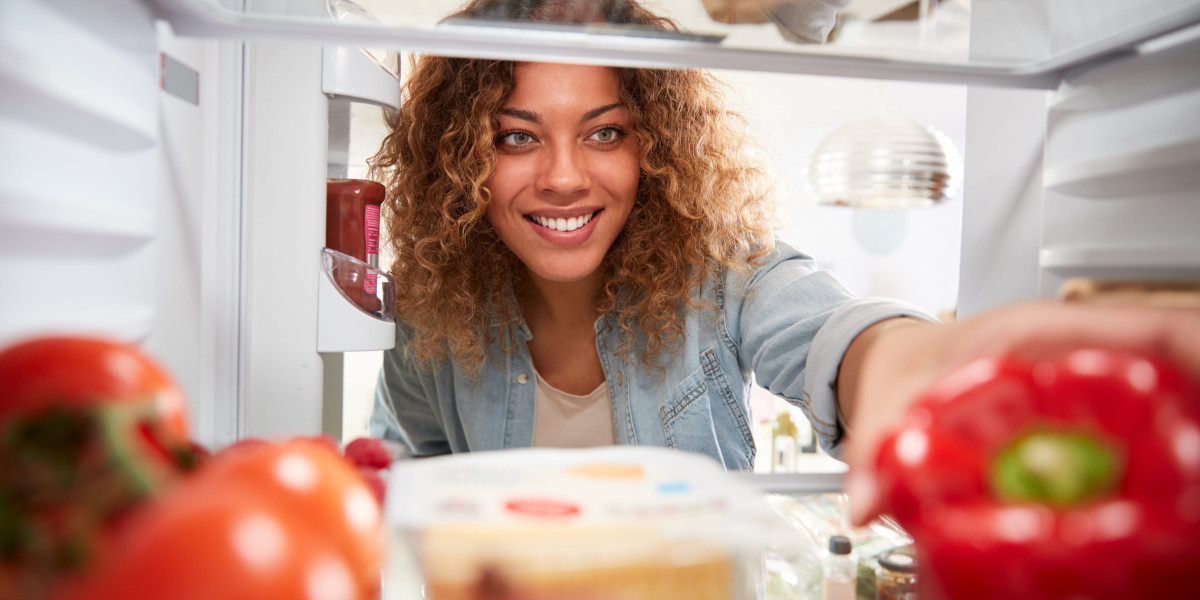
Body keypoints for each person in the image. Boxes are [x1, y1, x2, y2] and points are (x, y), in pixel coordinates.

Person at [367, 0, 1200, 527]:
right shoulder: (434, 312)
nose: (561, 175)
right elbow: (416, 473)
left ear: (654, 148)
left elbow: (834, 334)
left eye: (605, 131)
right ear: (462, 159)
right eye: (517, 136)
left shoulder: (722, 274)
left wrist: (921, 367)